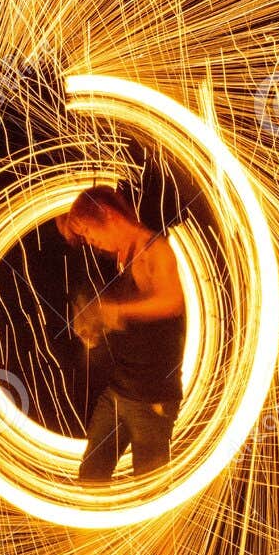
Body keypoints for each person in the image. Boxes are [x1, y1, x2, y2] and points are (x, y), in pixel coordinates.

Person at [56, 186, 186, 485]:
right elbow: (135, 316)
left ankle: (163, 534)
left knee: (149, 488)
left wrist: (117, 311)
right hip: (120, 389)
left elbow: (172, 301)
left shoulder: (153, 249)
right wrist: (98, 325)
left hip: (152, 399)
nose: (91, 241)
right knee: (91, 474)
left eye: (90, 232)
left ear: (110, 216)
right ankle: (88, 531)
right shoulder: (123, 255)